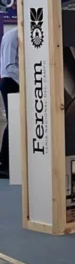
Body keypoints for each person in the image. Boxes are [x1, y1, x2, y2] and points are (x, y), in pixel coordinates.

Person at [0, 26, 18, 179]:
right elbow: (9, 66)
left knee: (19, 123)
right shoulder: (12, 36)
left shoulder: (23, 36)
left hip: (19, 82)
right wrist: (29, 81)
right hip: (11, 82)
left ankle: (14, 160)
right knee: (13, 123)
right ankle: (4, 163)